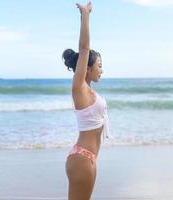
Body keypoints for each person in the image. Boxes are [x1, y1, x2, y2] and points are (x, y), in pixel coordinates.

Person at [62, 1, 111, 199]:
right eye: (99, 65)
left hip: (89, 159)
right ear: (87, 68)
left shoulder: (90, 92)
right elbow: (84, 49)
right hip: (82, 158)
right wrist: (85, 15)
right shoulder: (79, 89)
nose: (102, 69)